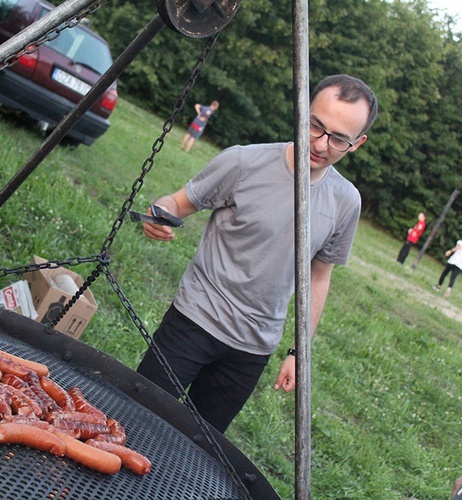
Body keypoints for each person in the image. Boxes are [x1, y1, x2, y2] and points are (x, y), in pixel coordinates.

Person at [136, 74, 378, 433]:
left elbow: (319, 278)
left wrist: (299, 352)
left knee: (197, 450)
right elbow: (177, 202)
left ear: (357, 143)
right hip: (193, 322)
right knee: (136, 417)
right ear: (302, 111)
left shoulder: (346, 203)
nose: (321, 144)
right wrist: (158, 212)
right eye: (315, 125)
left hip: (251, 351)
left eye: (339, 138)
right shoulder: (243, 163)